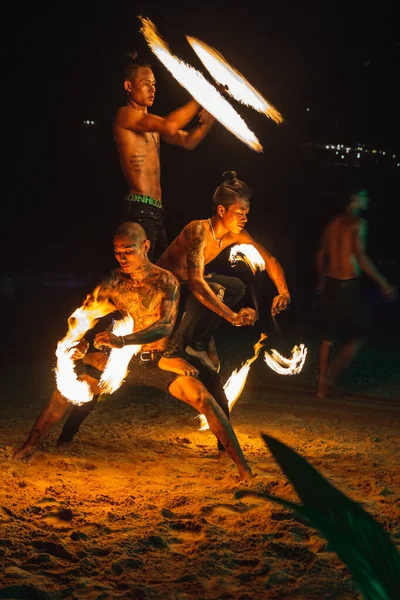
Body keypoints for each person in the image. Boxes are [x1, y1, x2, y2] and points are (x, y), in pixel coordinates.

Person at [13, 222, 252, 480]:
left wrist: (123, 341)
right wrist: (80, 342)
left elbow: (164, 326)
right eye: (117, 252)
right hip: (121, 361)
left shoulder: (165, 281)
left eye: (129, 250)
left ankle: (242, 466)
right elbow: (86, 315)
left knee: (206, 400)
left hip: (159, 362)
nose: (122, 257)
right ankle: (30, 446)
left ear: (145, 247)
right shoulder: (113, 280)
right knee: (63, 394)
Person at [157, 170, 291, 371]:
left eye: (247, 213)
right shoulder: (198, 230)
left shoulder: (235, 235)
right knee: (215, 288)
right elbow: (195, 282)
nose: (245, 218)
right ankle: (172, 352)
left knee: (235, 286)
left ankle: (198, 343)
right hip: (163, 288)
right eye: (240, 213)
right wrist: (232, 317)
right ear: (221, 210)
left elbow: (269, 259)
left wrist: (284, 291)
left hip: (188, 285)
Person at [113, 52, 215, 261]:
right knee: (144, 278)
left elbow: (189, 141)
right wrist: (203, 96)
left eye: (154, 83)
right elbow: (170, 124)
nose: (152, 88)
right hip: (139, 211)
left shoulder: (151, 125)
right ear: (128, 86)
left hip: (157, 211)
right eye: (145, 83)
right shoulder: (125, 115)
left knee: (163, 274)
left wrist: (211, 115)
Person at [315, 186, 398, 399]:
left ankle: (321, 387)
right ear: (354, 199)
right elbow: (360, 257)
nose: (367, 201)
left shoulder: (332, 223)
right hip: (349, 285)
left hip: (332, 283)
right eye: (364, 197)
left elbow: (321, 254)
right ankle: (330, 376)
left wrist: (322, 281)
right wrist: (383, 283)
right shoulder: (358, 223)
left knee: (327, 336)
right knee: (360, 335)